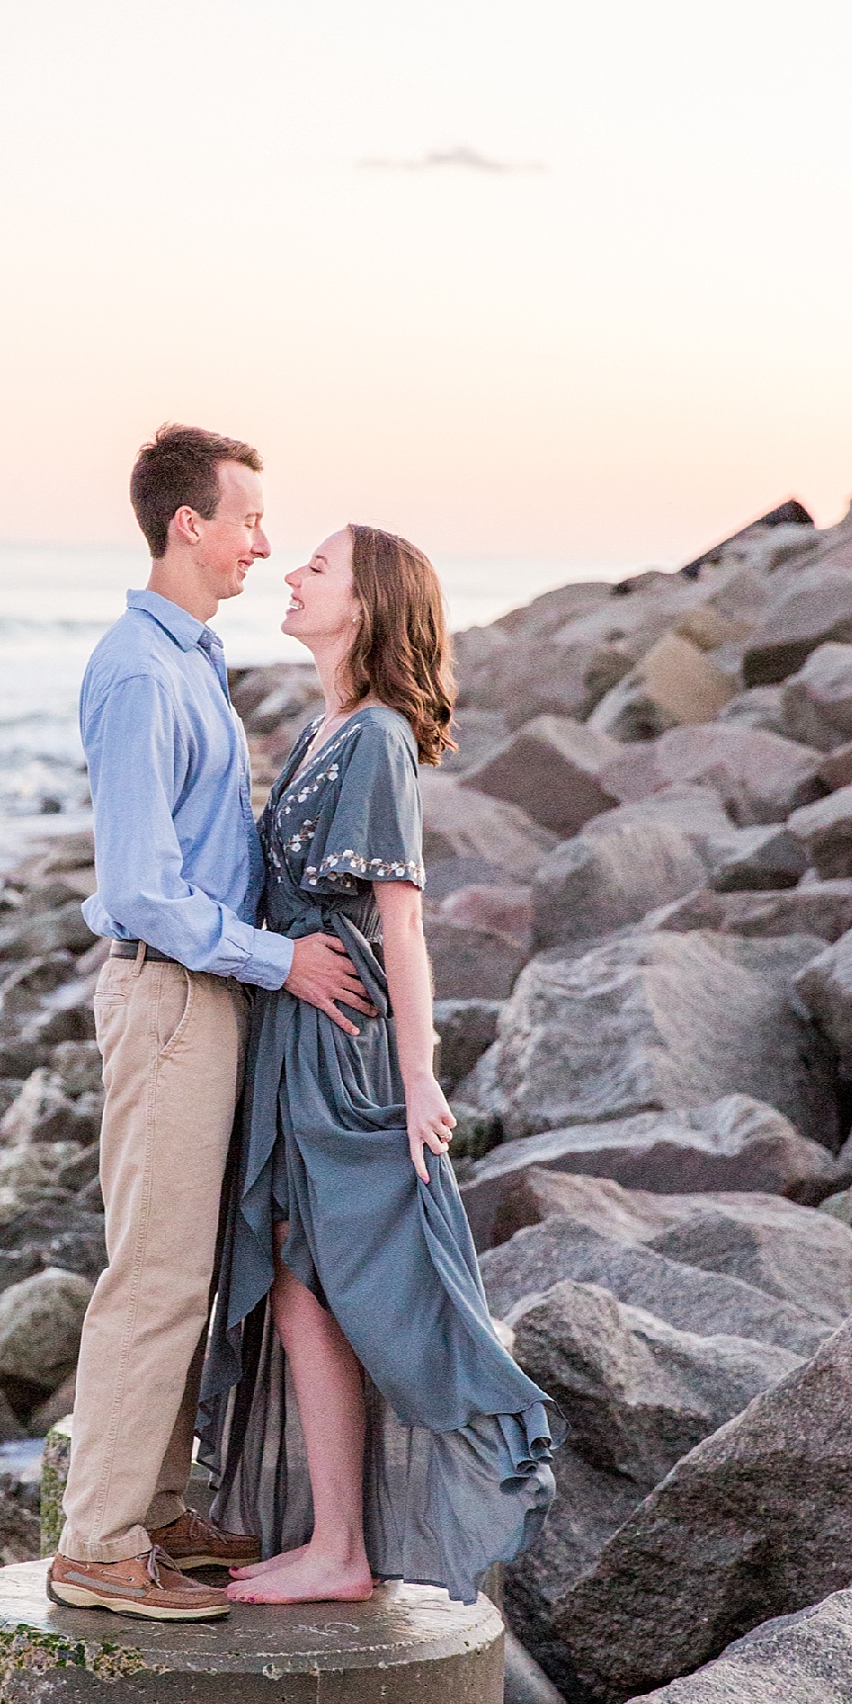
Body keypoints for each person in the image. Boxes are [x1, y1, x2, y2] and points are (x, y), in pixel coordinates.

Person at [49, 425, 376, 1622]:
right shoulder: (141, 670)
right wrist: (276, 958)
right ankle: (97, 1541)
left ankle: (152, 1504)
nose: (263, 542)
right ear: (188, 523)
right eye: (246, 518)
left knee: (191, 1265)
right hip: (174, 991)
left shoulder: (193, 659)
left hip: (209, 995)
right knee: (155, 1270)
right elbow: (141, 886)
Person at [203, 522, 558, 1607]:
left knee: (361, 1272)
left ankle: (355, 1540)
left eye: (319, 564)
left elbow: (403, 926)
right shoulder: (331, 725)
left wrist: (421, 1079)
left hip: (344, 1045)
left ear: (363, 605)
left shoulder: (375, 740)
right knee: (300, 1270)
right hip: (297, 1027)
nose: (295, 573)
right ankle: (337, 1543)